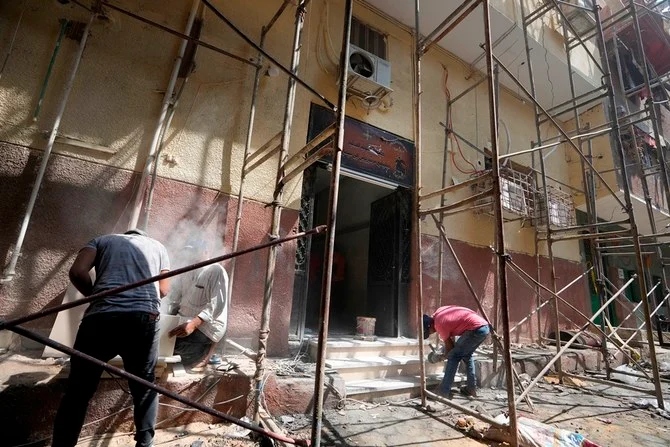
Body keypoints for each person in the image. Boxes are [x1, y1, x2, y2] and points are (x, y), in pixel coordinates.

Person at [52, 229, 170, 447]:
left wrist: (98, 297)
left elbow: (77, 272)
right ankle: (144, 443)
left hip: (100, 319)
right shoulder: (158, 246)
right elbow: (163, 289)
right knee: (144, 385)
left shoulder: (101, 240)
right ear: (143, 236)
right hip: (143, 320)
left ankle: (63, 444)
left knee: (78, 390)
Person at [167, 243, 229, 368]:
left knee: (179, 351)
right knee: (158, 341)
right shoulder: (187, 270)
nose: (190, 255)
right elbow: (173, 296)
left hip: (204, 327)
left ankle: (207, 352)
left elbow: (216, 305)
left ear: (206, 252)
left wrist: (193, 324)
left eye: (194, 251)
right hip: (184, 320)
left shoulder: (215, 270)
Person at [423, 305, 490, 399]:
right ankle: (471, 389)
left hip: (475, 329)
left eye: (428, 332)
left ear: (430, 326)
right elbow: (452, 340)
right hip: (484, 327)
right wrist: (445, 353)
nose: (430, 334)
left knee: (454, 357)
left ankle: (443, 391)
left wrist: (441, 357)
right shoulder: (438, 313)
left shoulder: (439, 324)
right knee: (467, 356)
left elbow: (450, 349)